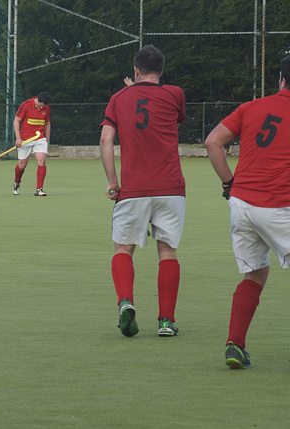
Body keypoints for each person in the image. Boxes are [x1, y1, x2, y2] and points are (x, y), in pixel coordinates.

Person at [205, 55, 290, 369]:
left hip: (241, 205)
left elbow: (213, 142)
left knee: (255, 273)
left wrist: (229, 184)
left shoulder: (252, 107)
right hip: (279, 207)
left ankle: (235, 345)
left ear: (281, 79)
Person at [99, 45, 186, 337]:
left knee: (123, 248)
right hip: (171, 188)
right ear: (161, 71)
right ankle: (166, 322)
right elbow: (169, 118)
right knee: (168, 251)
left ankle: (126, 302)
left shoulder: (118, 99)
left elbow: (106, 140)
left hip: (133, 189)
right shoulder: (175, 94)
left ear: (135, 70)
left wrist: (113, 180)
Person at [12, 92, 51, 196]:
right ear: (37, 99)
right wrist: (18, 138)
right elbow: (16, 121)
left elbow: (47, 124)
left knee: (42, 161)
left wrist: (47, 139)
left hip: (39, 138)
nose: (42, 107)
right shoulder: (26, 105)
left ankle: (39, 189)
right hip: (25, 139)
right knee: (22, 165)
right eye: (40, 104)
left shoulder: (46, 108)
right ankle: (17, 182)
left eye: (44, 105)